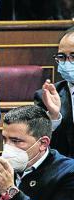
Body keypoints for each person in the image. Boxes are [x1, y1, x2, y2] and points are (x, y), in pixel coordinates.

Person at [34, 28, 74, 158]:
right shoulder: (45, 97)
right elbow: (37, 147)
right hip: (64, 173)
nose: (67, 63)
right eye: (62, 57)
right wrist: (54, 117)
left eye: (73, 56)